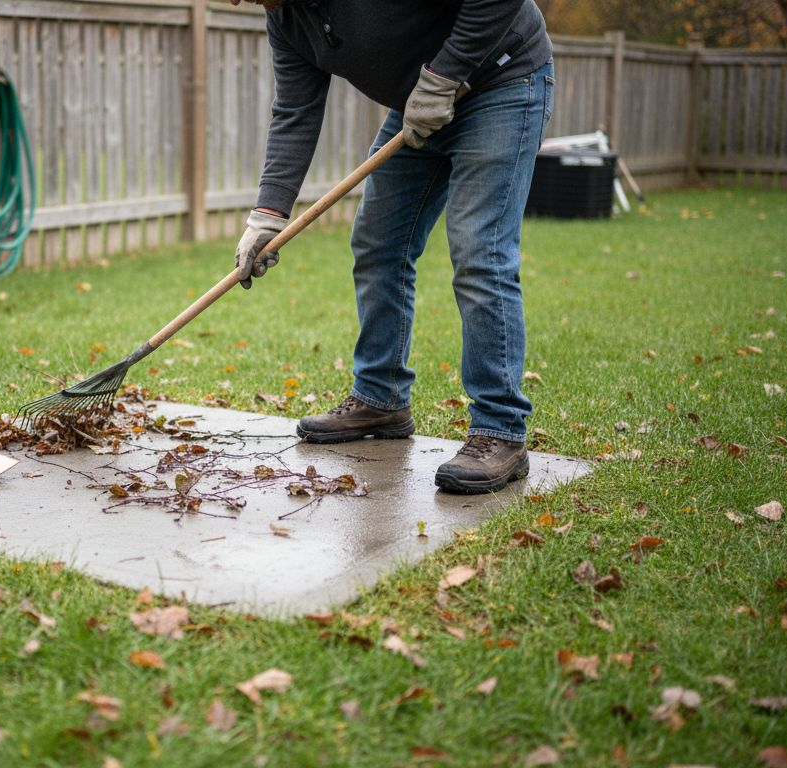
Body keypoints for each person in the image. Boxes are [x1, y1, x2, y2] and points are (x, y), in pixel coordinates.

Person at [231, 0, 554, 493]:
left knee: (480, 255)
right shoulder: (286, 19)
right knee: (378, 244)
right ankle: (380, 398)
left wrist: (443, 77)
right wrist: (267, 214)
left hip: (500, 83)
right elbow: (295, 110)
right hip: (420, 104)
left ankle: (500, 429)